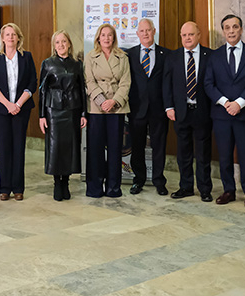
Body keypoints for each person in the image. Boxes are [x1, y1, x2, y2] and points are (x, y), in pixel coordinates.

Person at [204, 14, 245, 208]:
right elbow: (208, 84)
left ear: (241, 29)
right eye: (227, 27)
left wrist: (239, 103)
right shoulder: (215, 55)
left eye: (235, 27)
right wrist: (225, 102)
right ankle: (228, 190)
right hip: (221, 115)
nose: (231, 31)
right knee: (225, 155)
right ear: (223, 31)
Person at [164, 22, 214, 202]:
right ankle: (185, 187)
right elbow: (167, 84)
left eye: (191, 34)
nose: (187, 38)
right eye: (184, 35)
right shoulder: (173, 56)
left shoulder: (210, 55)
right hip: (180, 112)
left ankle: (205, 189)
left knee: (203, 154)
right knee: (183, 153)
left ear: (199, 35)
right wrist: (169, 107)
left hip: (202, 112)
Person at [0, 23, 36, 201]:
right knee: (3, 147)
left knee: (18, 147)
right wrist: (8, 104)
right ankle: (4, 188)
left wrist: (18, 104)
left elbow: (32, 83)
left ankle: (18, 188)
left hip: (21, 109)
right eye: (7, 34)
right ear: (2, 38)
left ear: (18, 38)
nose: (10, 37)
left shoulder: (26, 57)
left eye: (14, 34)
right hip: (1, 109)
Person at [38, 30, 87, 201]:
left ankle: (66, 182)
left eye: (64, 41)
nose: (61, 45)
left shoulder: (77, 64)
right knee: (55, 146)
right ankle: (57, 182)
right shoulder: (48, 63)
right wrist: (41, 116)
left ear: (69, 44)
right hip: (54, 110)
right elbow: (42, 91)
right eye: (57, 42)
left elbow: (82, 89)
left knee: (70, 146)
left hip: (73, 109)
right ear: (54, 45)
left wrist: (83, 113)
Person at [84, 24, 131, 198]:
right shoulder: (90, 57)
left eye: (110, 35)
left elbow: (126, 83)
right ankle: (94, 188)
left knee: (114, 148)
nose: (106, 38)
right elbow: (89, 81)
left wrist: (114, 101)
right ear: (98, 37)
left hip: (116, 108)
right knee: (95, 149)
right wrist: (103, 101)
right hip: (97, 107)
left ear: (114, 38)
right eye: (103, 35)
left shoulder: (122, 57)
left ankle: (113, 188)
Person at [125, 19, 169, 196]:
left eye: (148, 30)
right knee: (137, 147)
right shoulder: (129, 55)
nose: (145, 33)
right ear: (137, 34)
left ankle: (159, 181)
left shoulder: (166, 54)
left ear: (154, 31)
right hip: (137, 109)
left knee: (159, 146)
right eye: (142, 31)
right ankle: (139, 180)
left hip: (159, 109)